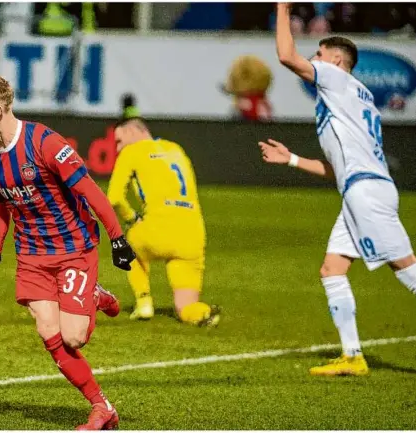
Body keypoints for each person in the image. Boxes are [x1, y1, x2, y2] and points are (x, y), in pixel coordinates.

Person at [0, 74, 135, 430]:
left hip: (73, 248)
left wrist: (118, 238)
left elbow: (90, 191)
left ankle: (93, 293)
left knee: (74, 336)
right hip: (31, 257)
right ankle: (102, 407)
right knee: (48, 331)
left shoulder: (44, 142)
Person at [259, 2, 416, 376]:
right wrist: (293, 159)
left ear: (338, 62)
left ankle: (352, 356)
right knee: (332, 269)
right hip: (361, 190)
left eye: (320, 54)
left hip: (366, 195)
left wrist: (282, 9)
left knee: (407, 269)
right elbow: (337, 169)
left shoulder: (337, 79)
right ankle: (353, 356)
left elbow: (285, 55)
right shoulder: (356, 99)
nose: (314, 59)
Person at [107, 117, 220, 327]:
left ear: (133, 132)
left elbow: (114, 198)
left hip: (156, 231)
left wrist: (131, 218)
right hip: (192, 234)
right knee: (184, 307)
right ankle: (201, 313)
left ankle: (143, 302)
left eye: (119, 140)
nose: (118, 147)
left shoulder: (132, 152)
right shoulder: (176, 150)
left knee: (125, 246)